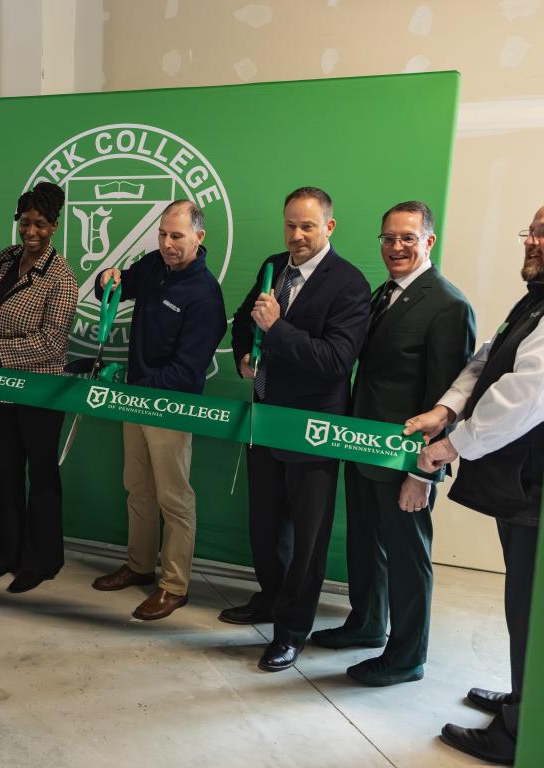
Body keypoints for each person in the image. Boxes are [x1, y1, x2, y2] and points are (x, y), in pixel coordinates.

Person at [406, 194, 544, 765]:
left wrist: (451, 444)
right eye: (531, 229)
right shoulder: (540, 299)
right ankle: (524, 701)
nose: (532, 239)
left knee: (532, 608)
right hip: (520, 487)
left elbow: (522, 397)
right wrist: (447, 409)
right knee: (520, 603)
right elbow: (487, 359)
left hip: (541, 490)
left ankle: (520, 733)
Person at [309, 201, 475, 686]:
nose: (396, 247)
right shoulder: (385, 293)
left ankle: (407, 657)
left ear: (429, 241)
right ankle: (366, 624)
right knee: (365, 545)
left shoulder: (448, 304)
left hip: (407, 460)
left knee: (407, 557)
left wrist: (423, 475)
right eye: (388, 238)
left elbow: (448, 397)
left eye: (407, 238)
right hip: (364, 449)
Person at [225, 187, 370, 671]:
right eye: (290, 225)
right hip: (265, 415)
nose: (296, 235)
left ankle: (291, 631)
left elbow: (334, 362)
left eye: (307, 226)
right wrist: (245, 354)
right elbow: (245, 324)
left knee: (307, 539)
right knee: (265, 526)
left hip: (313, 429)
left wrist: (277, 329)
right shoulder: (273, 266)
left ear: (329, 227)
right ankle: (269, 597)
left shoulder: (348, 284)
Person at [91, 200, 227, 620]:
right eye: (163, 234)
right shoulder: (154, 265)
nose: (168, 244)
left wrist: (136, 389)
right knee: (138, 487)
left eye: (177, 236)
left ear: (199, 237)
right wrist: (105, 277)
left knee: (174, 498)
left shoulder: (206, 296)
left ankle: (173, 585)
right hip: (137, 398)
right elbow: (113, 288)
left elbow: (187, 372)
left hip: (171, 406)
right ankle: (138, 564)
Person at [0, 182, 78, 593]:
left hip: (40, 391)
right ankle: (7, 554)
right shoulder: (5, 258)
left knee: (42, 476)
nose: (31, 231)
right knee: (7, 471)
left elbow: (52, 342)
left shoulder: (62, 277)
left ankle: (42, 560)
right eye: (25, 222)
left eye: (41, 224)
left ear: (55, 226)